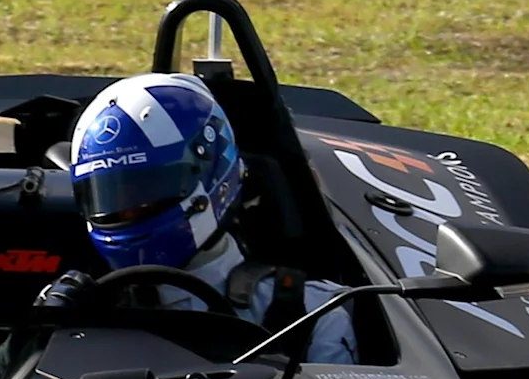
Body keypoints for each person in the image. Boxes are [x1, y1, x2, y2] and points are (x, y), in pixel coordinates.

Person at [60, 73, 353, 360]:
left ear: (212, 177)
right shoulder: (75, 312)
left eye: (145, 193)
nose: (128, 212)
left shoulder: (309, 313)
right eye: (111, 197)